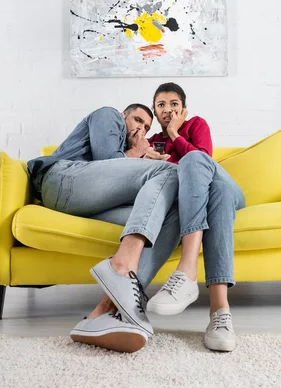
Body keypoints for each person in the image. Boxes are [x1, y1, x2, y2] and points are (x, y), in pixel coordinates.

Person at [27, 104, 181, 353]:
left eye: (145, 127)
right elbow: (107, 161)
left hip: (91, 202)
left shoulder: (128, 149)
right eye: (137, 119)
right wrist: (138, 154)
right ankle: (120, 266)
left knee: (174, 213)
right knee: (171, 171)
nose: (140, 128)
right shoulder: (109, 116)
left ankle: (105, 311)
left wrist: (140, 160)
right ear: (124, 115)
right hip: (63, 180)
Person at [145, 82, 246, 352]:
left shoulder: (196, 125)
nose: (168, 109)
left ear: (184, 109)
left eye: (174, 104)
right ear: (155, 112)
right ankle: (220, 313)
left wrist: (176, 134)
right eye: (161, 105)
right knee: (220, 194)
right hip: (219, 196)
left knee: (201, 166)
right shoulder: (151, 143)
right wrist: (146, 158)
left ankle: (187, 269)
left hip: (227, 183)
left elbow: (204, 160)